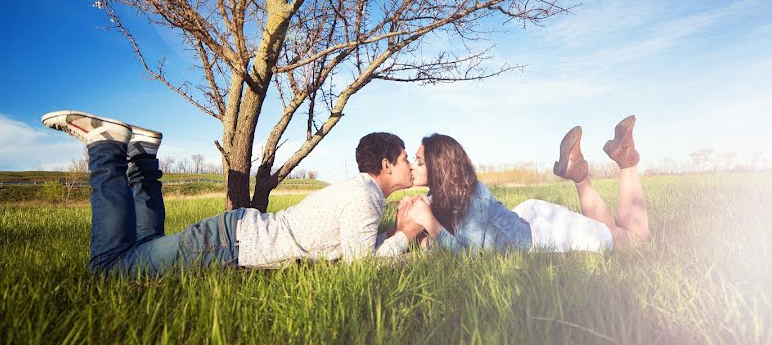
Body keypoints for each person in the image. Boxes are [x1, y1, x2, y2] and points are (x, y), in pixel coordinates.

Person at [41, 110, 422, 277]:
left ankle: (141, 154)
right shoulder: (365, 196)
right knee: (110, 268)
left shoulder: (362, 194)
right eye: (407, 159)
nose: (412, 165)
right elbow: (361, 267)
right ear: (387, 164)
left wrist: (393, 235)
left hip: (234, 236)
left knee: (144, 250)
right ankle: (106, 148)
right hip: (228, 244)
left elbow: (356, 247)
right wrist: (403, 234)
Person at [402, 115, 650, 253]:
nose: (412, 165)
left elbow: (473, 257)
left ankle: (625, 159)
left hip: (545, 232)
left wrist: (430, 224)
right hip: (528, 225)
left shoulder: (469, 197)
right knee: (608, 235)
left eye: (419, 161)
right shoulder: (440, 198)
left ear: (439, 168)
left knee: (635, 243)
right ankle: (580, 171)